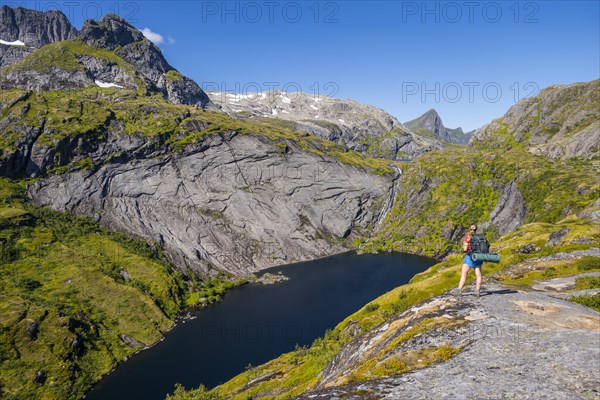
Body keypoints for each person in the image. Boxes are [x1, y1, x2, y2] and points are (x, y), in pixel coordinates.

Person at [454, 224, 483, 297]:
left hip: (469, 257)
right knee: (478, 274)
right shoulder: (480, 237)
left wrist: (465, 244)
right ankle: (477, 291)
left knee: (464, 274)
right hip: (478, 257)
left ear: (469, 229)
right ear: (476, 230)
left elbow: (465, 249)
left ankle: (459, 290)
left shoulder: (467, 237)